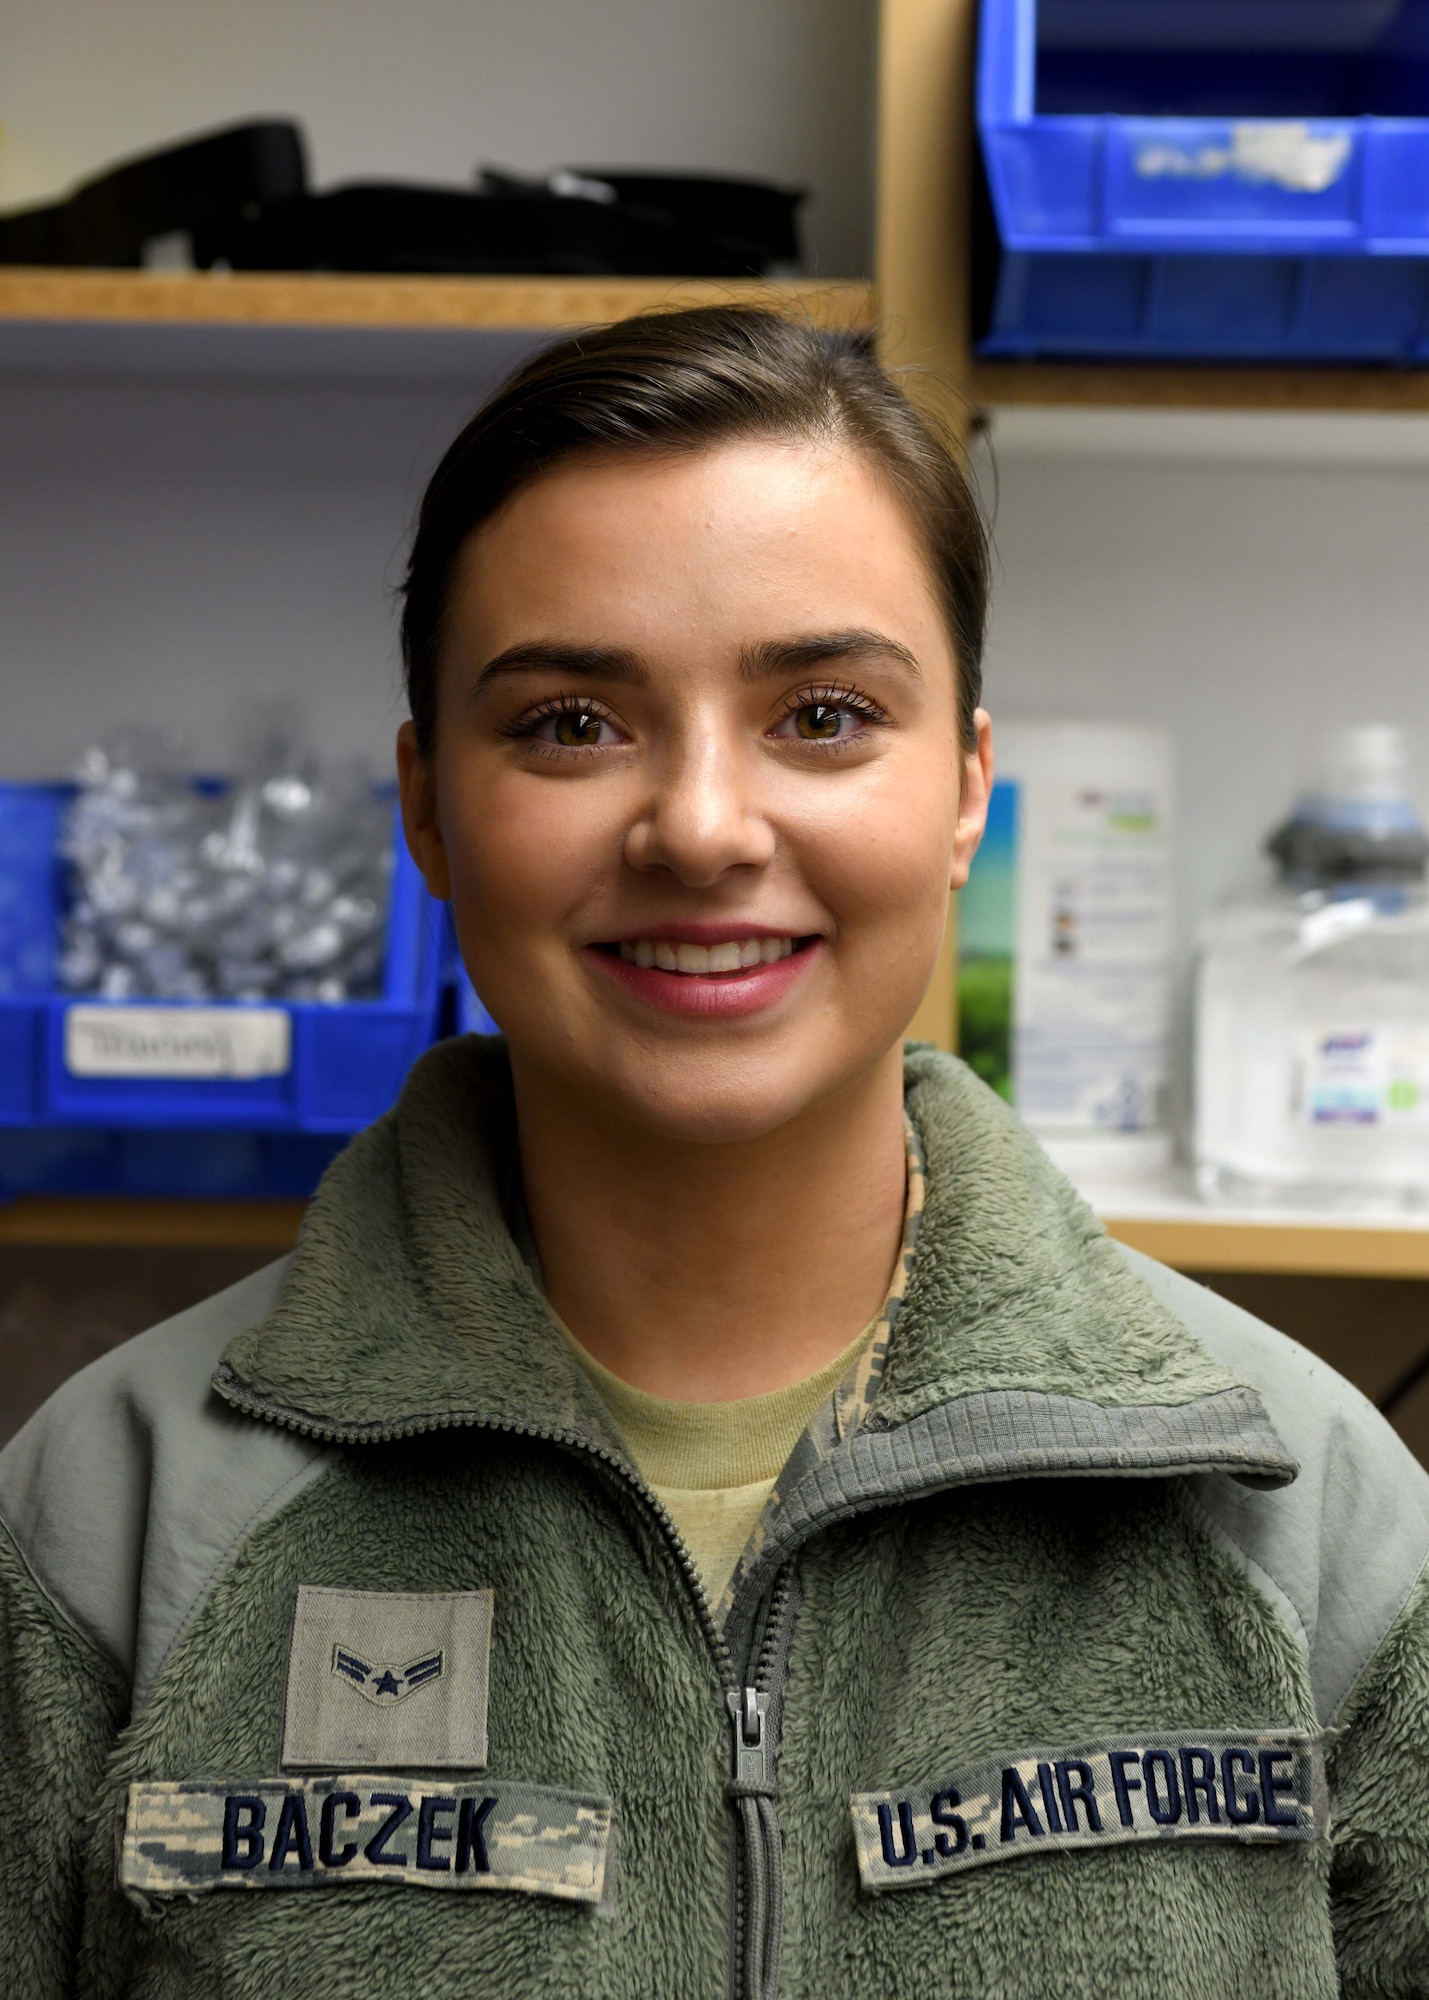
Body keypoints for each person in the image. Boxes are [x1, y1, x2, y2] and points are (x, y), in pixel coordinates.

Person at [1, 306, 1426, 2000]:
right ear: (431, 812)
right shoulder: (110, 1520)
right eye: (571, 725)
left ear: (967, 787)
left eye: (822, 714)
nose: (699, 827)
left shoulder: (1302, 1515)